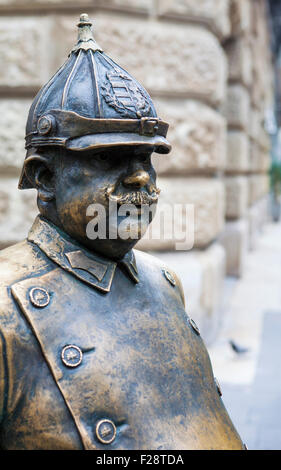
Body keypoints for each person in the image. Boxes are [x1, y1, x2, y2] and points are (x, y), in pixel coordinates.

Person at [0, 14, 244, 450]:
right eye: (110, 159)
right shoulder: (5, 308)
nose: (140, 179)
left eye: (146, 159)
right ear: (45, 178)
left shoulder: (164, 283)